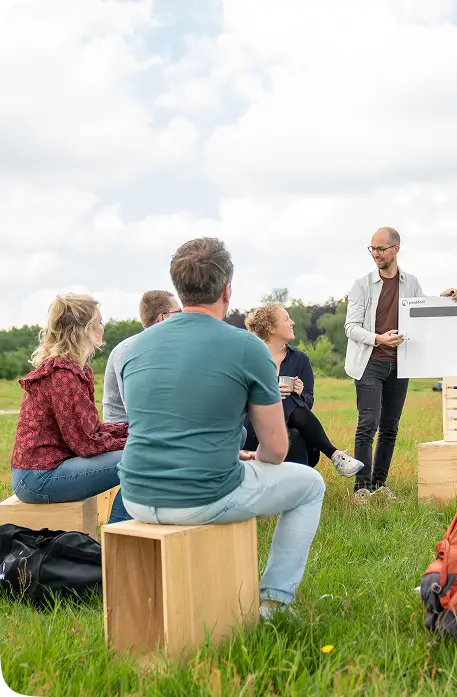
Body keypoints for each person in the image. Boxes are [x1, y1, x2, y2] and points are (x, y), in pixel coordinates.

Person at [117, 237, 325, 618]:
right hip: (201, 496)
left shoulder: (134, 348)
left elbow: (163, 424)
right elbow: (276, 450)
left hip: (135, 493)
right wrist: (253, 458)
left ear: (179, 290)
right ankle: (274, 603)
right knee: (311, 485)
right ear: (227, 290)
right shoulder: (247, 347)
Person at [344, 226, 457, 503]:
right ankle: (362, 489)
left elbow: (422, 313)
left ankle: (379, 486)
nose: (375, 254)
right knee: (367, 424)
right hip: (369, 362)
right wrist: (378, 338)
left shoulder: (410, 282)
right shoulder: (361, 284)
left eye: (380, 249)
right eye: (371, 248)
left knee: (390, 427)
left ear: (395, 249)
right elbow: (350, 327)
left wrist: (443, 299)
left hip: (400, 364)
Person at [10, 293, 131, 523]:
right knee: (137, 459)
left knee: (137, 453)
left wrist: (129, 429)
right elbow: (85, 443)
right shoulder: (62, 374)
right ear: (85, 329)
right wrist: (134, 440)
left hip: (46, 470)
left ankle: (118, 532)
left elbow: (91, 429)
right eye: (100, 321)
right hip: (38, 478)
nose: (103, 327)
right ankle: (116, 536)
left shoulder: (74, 369)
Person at [242, 302, 364, 477]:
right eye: (286, 319)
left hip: (290, 428)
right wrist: (269, 394)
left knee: (295, 434)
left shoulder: (300, 359)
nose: (292, 323)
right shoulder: (250, 359)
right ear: (271, 328)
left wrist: (300, 393)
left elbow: (308, 402)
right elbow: (239, 402)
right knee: (286, 401)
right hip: (257, 429)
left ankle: (293, 490)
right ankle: (333, 454)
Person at [102, 290, 180, 422]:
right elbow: (139, 411)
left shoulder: (125, 348)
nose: (182, 317)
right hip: (129, 435)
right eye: (178, 313)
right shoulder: (129, 351)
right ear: (162, 318)